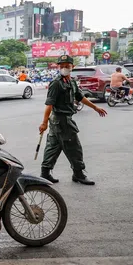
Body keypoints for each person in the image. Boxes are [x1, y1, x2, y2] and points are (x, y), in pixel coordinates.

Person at [39, 55, 107, 186]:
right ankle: (78, 173)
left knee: (54, 146)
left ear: (72, 67)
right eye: (61, 66)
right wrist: (44, 122)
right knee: (74, 147)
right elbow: (49, 105)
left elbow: (80, 97)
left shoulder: (72, 82)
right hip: (61, 120)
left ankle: (45, 173)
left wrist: (95, 107)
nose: (64, 68)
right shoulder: (56, 83)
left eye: (67, 66)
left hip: (59, 121)